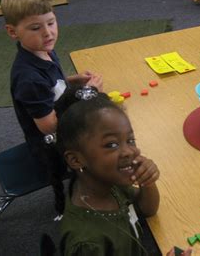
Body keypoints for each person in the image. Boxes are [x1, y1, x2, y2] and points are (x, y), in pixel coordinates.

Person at [51, 86, 191, 255]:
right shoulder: (87, 244)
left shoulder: (106, 182)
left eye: (130, 140)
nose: (130, 152)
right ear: (75, 160)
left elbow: (147, 209)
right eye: (111, 145)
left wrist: (147, 181)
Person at [1, 0, 103, 156]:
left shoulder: (43, 50)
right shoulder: (29, 78)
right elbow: (50, 127)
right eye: (36, 28)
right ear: (12, 31)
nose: (48, 33)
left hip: (63, 128)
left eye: (51, 22)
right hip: (54, 149)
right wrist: (88, 94)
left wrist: (71, 81)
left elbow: (50, 86)